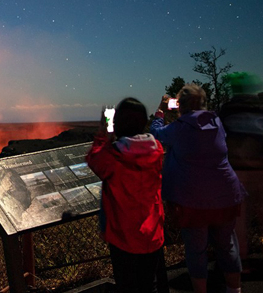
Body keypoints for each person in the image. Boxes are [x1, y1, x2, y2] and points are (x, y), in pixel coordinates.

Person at [151, 84, 246, 293]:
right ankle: (235, 290)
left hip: (193, 200)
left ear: (180, 106)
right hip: (226, 195)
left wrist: (160, 111)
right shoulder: (217, 122)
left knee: (196, 250)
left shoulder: (180, 128)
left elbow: (156, 136)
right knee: (228, 245)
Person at [87, 97, 168, 293]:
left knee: (127, 285)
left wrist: (105, 128)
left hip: (123, 238)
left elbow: (94, 158)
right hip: (153, 233)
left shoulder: (114, 158)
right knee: (148, 284)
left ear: (118, 124)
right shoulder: (156, 149)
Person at [219, 72, 263, 266]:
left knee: (239, 221)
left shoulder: (227, 110)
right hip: (260, 169)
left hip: (236, 170)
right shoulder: (260, 108)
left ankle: (240, 262)